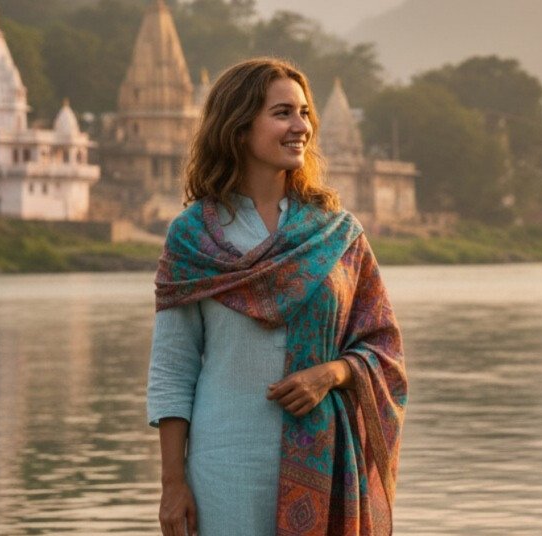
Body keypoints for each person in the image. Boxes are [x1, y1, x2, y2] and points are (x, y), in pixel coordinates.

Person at [147, 57, 407, 536]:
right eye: (283, 113)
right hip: (225, 467)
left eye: (305, 113)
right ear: (239, 126)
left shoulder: (336, 234)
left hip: (324, 462)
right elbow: (172, 369)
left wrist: (333, 372)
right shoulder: (192, 237)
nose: (301, 127)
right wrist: (172, 484)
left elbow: (384, 348)